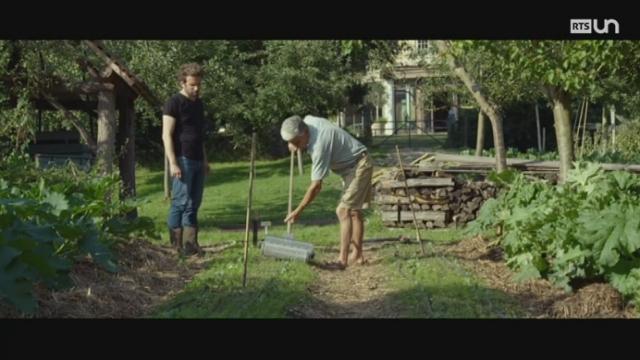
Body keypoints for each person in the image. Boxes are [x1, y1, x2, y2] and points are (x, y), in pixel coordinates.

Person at [281, 115, 374, 269]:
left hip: (359, 165)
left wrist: (298, 210)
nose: (294, 146)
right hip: (352, 166)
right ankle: (357, 256)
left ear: (304, 134)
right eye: (291, 143)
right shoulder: (307, 122)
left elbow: (316, 186)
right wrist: (294, 144)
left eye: (296, 142)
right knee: (354, 212)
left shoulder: (319, 145)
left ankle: (341, 261)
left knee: (343, 211)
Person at [162, 63, 209, 256]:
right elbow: (166, 135)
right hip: (183, 159)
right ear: (183, 82)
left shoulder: (199, 104)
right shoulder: (173, 103)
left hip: (198, 159)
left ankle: (191, 245)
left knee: (194, 202)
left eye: (198, 84)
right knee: (181, 201)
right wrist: (173, 162)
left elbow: (199, 135)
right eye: (192, 84)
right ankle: (175, 247)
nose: (196, 88)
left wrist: (205, 160)